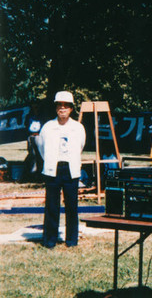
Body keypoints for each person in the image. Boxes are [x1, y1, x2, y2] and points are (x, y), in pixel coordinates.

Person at [37, 91, 86, 248]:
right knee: (52, 205)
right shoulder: (48, 127)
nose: (62, 109)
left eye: (66, 106)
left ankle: (71, 240)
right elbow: (41, 147)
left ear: (71, 109)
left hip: (70, 169)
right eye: (59, 105)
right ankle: (49, 240)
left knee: (72, 206)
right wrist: (51, 161)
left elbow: (81, 146)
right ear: (56, 108)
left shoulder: (78, 128)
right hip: (53, 169)